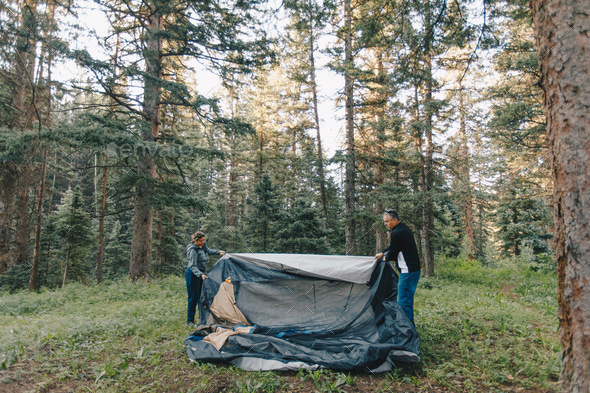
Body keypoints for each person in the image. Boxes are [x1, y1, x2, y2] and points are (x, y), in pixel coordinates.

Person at [375, 209, 421, 323]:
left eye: (387, 221)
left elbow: (394, 252)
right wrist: (383, 252)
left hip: (408, 271)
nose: (385, 224)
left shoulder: (398, 232)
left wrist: (385, 258)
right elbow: (393, 246)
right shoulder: (401, 229)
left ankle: (406, 332)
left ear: (395, 220)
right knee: (406, 301)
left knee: (403, 302)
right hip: (412, 270)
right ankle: (409, 328)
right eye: (384, 221)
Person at [186, 231, 225, 327]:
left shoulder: (202, 246)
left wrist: (218, 252)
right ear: (195, 240)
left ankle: (203, 318)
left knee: (202, 296)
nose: (203, 242)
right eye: (201, 241)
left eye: (203, 240)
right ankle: (190, 321)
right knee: (193, 297)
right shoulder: (192, 250)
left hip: (201, 274)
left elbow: (208, 251)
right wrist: (200, 274)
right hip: (193, 274)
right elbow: (193, 266)